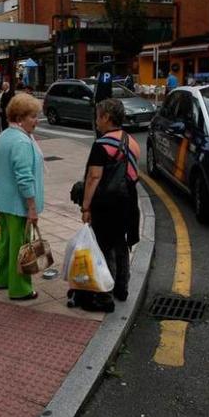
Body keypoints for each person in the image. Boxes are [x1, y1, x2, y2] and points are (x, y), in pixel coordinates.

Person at [79, 99, 141, 302]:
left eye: (98, 116)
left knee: (104, 246)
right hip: (129, 203)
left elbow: (93, 178)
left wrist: (86, 206)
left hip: (107, 204)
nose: (96, 121)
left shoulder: (101, 145)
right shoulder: (131, 141)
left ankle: (106, 290)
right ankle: (122, 288)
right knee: (121, 245)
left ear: (106, 117)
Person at [0, 93, 45, 300]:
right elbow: (24, 178)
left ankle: (1, 279)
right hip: (18, 204)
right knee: (21, 247)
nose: (36, 120)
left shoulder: (5, 136)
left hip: (3, 201)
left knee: (5, 242)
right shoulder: (22, 142)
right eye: (32, 116)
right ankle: (20, 288)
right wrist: (31, 207)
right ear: (20, 118)